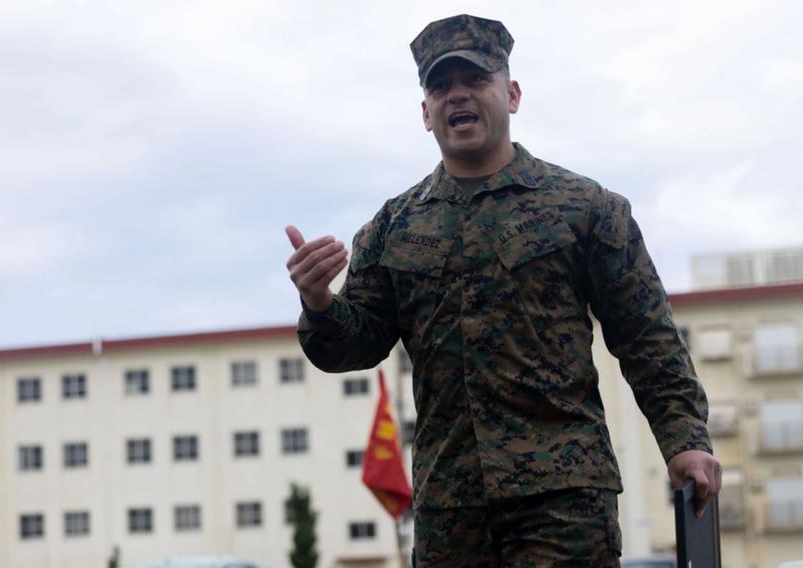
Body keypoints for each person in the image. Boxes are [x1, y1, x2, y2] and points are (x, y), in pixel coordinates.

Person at [285, 14, 721, 567]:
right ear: (425, 113)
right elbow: (353, 345)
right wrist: (319, 301)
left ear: (511, 94)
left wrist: (685, 439)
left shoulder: (585, 209)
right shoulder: (393, 227)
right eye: (440, 86)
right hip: (451, 507)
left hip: (563, 501)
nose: (457, 95)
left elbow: (648, 336)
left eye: (476, 79)